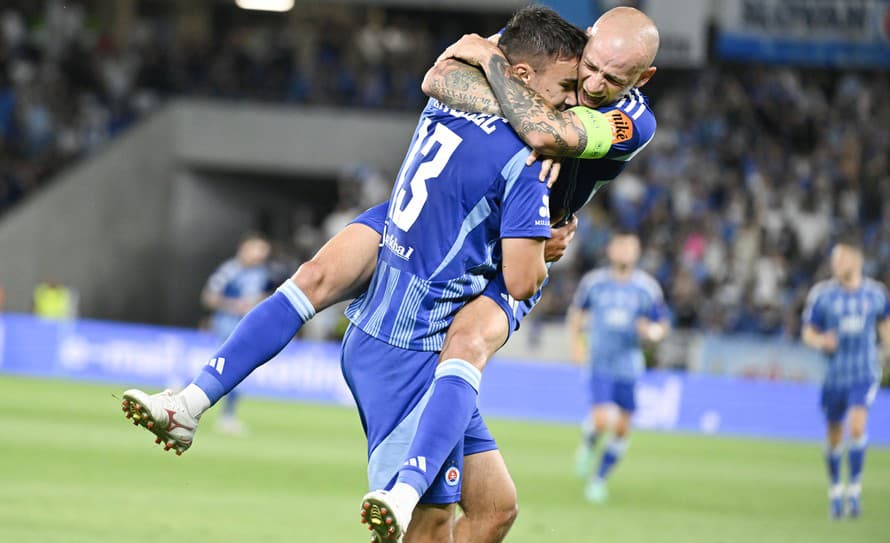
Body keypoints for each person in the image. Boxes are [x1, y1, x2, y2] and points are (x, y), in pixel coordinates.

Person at [120, 6, 659, 542]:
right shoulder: (542, 50)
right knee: (328, 282)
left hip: (504, 240)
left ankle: (202, 408)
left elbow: (546, 131)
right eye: (585, 69)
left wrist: (486, 62)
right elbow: (437, 77)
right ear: (586, 41)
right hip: (453, 222)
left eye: (611, 80)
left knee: (493, 507)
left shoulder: (633, 121)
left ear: (642, 79)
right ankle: (190, 402)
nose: (588, 84)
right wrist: (494, 74)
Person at [566, 232, 669, 504]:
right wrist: (576, 344)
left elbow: (661, 324)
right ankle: (589, 444)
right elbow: (577, 313)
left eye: (630, 247)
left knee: (622, 429)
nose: (624, 252)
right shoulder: (594, 283)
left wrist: (652, 333)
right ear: (610, 250)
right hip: (600, 360)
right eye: (620, 246)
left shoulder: (647, 288)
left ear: (637, 252)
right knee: (601, 420)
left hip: (629, 365)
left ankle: (598, 480)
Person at [801, 239, 890, 519]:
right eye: (834, 261)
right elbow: (808, 332)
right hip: (834, 376)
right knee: (834, 435)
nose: (835, 266)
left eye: (840, 260)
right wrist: (820, 341)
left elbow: (885, 326)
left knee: (857, 425)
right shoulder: (823, 295)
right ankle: (835, 491)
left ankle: (854, 491)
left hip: (864, 372)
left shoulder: (876, 294)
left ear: (856, 261)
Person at [200, 232, 273, 434]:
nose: (260, 255)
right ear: (244, 249)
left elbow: (265, 296)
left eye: (263, 252)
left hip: (247, 327)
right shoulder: (228, 271)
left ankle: (227, 416)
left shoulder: (262, 274)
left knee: (236, 372)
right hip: (225, 326)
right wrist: (233, 305)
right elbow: (208, 297)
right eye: (257, 250)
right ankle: (221, 415)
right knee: (225, 369)